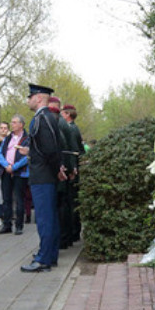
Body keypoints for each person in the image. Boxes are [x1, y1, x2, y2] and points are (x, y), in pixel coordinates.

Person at [21, 83, 65, 273]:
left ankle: (44, 259)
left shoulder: (42, 119)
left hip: (43, 176)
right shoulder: (47, 118)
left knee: (45, 219)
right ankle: (49, 255)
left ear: (39, 98)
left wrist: (57, 169)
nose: (28, 100)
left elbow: (49, 150)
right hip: (45, 174)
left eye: (30, 96)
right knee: (49, 218)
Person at [0, 115, 29, 235]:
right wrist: (6, 165)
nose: (12, 124)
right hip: (6, 171)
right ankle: (7, 224)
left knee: (19, 199)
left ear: (21, 124)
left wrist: (14, 167)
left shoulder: (27, 139)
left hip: (20, 172)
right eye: (12, 122)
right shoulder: (7, 138)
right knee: (6, 199)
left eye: (15, 122)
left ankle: (19, 225)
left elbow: (27, 157)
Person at [60, 103, 85, 248]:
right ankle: (73, 232)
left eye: (63, 113)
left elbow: (74, 150)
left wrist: (72, 168)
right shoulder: (73, 128)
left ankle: (73, 232)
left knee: (71, 203)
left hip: (72, 171)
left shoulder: (71, 129)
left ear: (67, 114)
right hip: (74, 169)